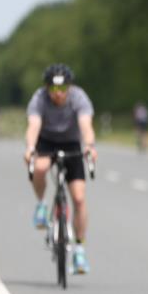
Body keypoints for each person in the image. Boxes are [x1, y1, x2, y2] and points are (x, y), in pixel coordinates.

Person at [23, 63, 98, 274]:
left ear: (69, 87)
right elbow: (33, 126)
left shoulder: (78, 97)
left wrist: (90, 146)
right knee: (39, 168)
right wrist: (30, 148)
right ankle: (41, 204)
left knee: (79, 198)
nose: (58, 93)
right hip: (46, 141)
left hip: (71, 143)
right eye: (53, 88)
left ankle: (79, 250)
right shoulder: (39, 98)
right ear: (47, 88)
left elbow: (86, 125)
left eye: (63, 88)